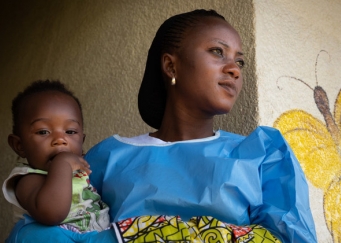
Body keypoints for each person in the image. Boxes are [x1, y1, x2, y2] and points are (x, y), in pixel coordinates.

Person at [4, 9, 317, 243]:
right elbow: (58, 229)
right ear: (171, 65)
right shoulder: (106, 157)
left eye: (240, 61)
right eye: (217, 52)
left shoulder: (262, 155)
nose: (234, 69)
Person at [2, 80, 110, 234]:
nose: (60, 139)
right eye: (43, 132)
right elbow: (52, 213)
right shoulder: (27, 179)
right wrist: (62, 163)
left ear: (82, 141)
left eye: (70, 132)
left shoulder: (82, 169)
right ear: (19, 145)